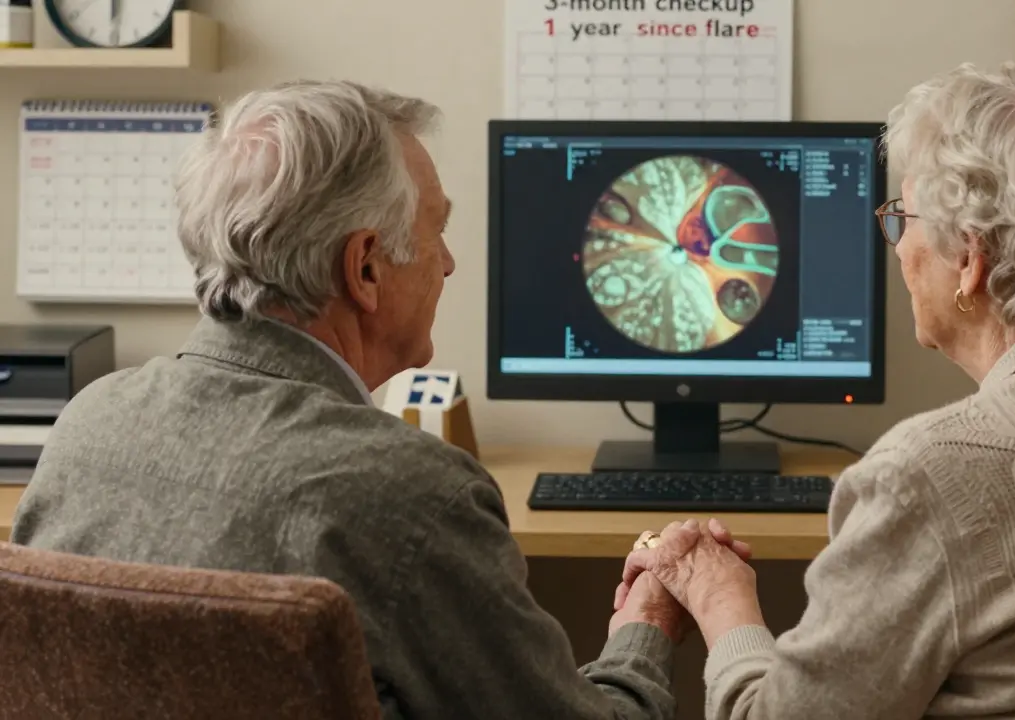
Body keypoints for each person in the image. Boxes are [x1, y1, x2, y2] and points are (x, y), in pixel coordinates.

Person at [9, 79, 750, 720]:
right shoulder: (408, 492)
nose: (448, 262)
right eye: (436, 231)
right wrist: (647, 622)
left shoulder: (86, 427)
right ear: (365, 267)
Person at [616, 58, 1015, 719]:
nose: (898, 246)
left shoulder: (925, 475)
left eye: (902, 218)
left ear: (969, 258)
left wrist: (719, 596)